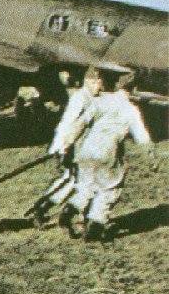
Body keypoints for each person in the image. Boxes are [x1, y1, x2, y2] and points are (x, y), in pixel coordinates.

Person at [61, 64, 154, 242]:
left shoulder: (98, 102)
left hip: (86, 149)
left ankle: (72, 207)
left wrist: (68, 144)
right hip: (108, 151)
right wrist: (150, 154)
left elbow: (80, 124)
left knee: (87, 184)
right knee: (109, 188)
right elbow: (142, 136)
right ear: (132, 88)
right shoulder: (129, 108)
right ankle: (96, 224)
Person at [29, 67, 102, 226]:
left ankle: (46, 209)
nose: (100, 86)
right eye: (97, 82)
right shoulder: (80, 99)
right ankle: (43, 208)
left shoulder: (91, 98)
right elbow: (68, 124)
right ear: (89, 82)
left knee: (77, 181)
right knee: (73, 181)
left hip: (82, 148)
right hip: (71, 147)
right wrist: (63, 147)